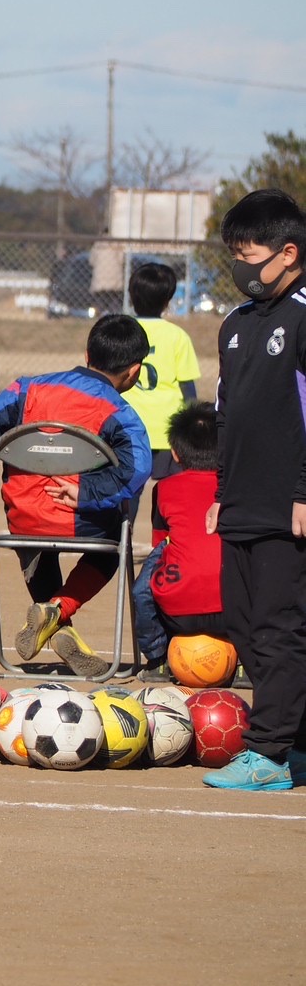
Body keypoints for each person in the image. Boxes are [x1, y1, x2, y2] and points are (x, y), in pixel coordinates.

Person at [0, 314, 151, 679]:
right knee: (116, 545)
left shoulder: (28, 388)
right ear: (134, 372)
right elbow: (136, 470)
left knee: (33, 540)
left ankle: (55, 620)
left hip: (22, 519)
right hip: (80, 520)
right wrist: (86, 493)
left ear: (86, 353)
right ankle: (58, 610)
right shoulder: (121, 413)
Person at [201, 188, 306, 791]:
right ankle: (292, 744)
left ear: (289, 252)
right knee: (242, 628)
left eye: (249, 252)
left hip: (287, 506)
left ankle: (267, 752)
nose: (239, 265)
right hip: (240, 501)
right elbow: (225, 415)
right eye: (232, 254)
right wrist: (220, 488)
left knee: (279, 626)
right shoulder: (235, 326)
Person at [132, 402, 225, 677]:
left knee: (142, 588)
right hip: (235, 614)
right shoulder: (239, 486)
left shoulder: (164, 488)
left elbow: (160, 544)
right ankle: (245, 663)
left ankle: (158, 660)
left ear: (174, 453)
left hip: (179, 614)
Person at [120, 261, 201, 536]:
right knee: (171, 490)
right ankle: (167, 541)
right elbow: (188, 392)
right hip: (169, 432)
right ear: (168, 300)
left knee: (129, 489)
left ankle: (122, 538)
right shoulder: (177, 336)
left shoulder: (121, 331)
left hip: (129, 430)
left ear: (131, 296)